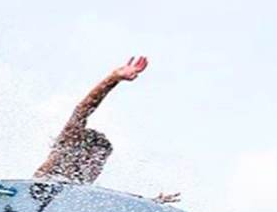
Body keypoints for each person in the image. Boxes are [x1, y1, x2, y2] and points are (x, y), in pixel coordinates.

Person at [34, 56, 179, 203]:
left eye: (101, 163)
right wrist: (113, 78)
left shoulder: (82, 188)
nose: (97, 169)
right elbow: (82, 111)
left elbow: (120, 202)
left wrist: (152, 202)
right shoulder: (64, 153)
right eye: (96, 161)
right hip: (30, 196)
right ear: (82, 154)